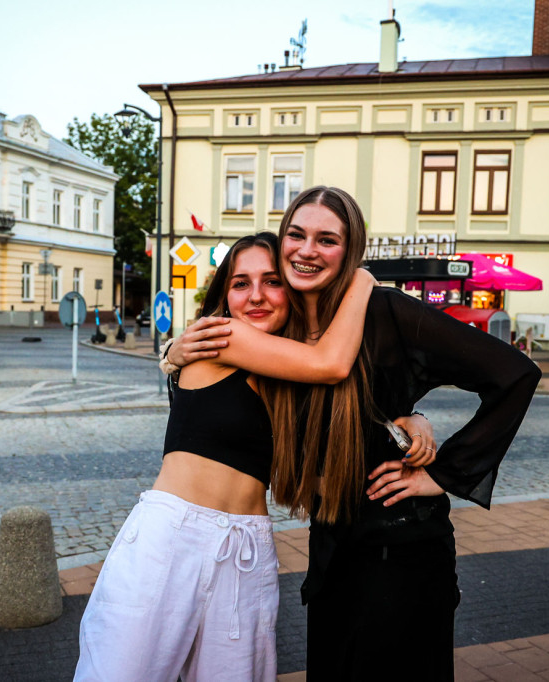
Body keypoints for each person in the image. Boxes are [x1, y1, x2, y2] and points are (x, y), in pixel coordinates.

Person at [168, 186, 542, 680]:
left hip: (402, 546)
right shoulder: (280, 327)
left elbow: (515, 373)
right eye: (296, 235)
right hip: (331, 547)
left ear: (351, 250)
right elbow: (219, 403)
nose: (307, 250)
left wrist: (446, 473)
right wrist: (172, 354)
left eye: (327, 239)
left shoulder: (387, 311)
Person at [74, 232, 377, 682]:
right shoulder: (223, 335)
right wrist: (364, 280)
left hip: (248, 550)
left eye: (272, 281)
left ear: (291, 291)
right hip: (174, 539)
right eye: (240, 283)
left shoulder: (287, 380)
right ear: (224, 295)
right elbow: (331, 364)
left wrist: (409, 420)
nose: (255, 295)